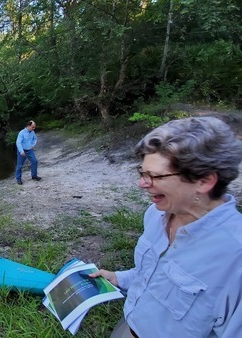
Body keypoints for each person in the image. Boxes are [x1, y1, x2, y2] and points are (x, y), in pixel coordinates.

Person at [90, 116, 242, 337]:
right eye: (142, 173)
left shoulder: (235, 257)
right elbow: (151, 275)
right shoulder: (155, 215)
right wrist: (119, 278)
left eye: (155, 176)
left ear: (204, 181)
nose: (142, 184)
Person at [15, 120, 42, 185]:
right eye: (32, 127)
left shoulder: (32, 132)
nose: (34, 128)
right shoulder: (22, 133)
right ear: (28, 126)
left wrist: (32, 145)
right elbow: (18, 142)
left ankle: (34, 176)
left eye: (34, 127)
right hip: (22, 150)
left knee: (34, 161)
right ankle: (18, 179)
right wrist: (21, 151)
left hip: (29, 150)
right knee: (20, 165)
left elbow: (35, 138)